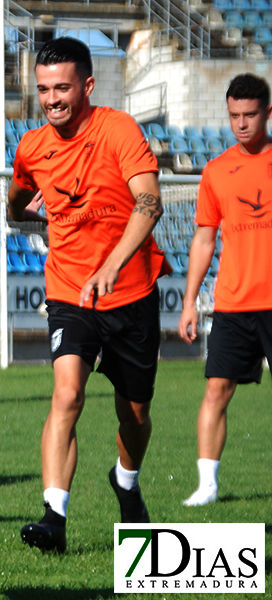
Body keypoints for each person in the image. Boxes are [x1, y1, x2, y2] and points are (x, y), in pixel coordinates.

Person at [7, 37, 167, 553]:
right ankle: (54, 517)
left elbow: (149, 202)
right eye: (43, 89)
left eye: (62, 88)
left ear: (88, 86)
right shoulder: (31, 147)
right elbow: (15, 203)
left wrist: (112, 265)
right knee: (67, 393)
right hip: (69, 292)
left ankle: (126, 479)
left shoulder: (118, 129)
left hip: (131, 292)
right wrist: (30, 213)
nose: (51, 99)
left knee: (134, 414)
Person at [177, 73, 272, 507]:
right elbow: (203, 239)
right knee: (216, 389)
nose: (241, 124)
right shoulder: (216, 170)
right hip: (233, 303)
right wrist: (189, 301)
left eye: (250, 115)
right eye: (234, 115)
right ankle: (207, 486)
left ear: (268, 113)